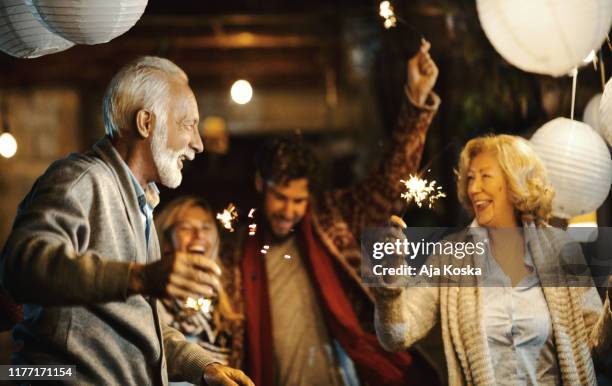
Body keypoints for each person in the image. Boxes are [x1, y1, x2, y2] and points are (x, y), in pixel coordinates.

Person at [0, 56, 253, 386]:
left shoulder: (141, 203)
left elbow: (141, 326)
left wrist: (203, 368)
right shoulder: (82, 181)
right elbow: (19, 268)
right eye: (188, 124)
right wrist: (140, 277)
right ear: (146, 123)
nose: (198, 144)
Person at [219, 40, 442, 386]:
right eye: (281, 197)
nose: (289, 211)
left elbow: (389, 186)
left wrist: (414, 103)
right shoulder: (236, 249)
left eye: (298, 200)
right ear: (260, 184)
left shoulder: (331, 218)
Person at [374, 134, 612, 385]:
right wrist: (390, 279)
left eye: (485, 176)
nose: (474, 188)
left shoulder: (561, 249)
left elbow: (595, 346)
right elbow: (395, 336)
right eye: (470, 178)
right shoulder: (449, 256)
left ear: (514, 181)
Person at [155, 196, 243, 374]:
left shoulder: (231, 291)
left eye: (206, 227)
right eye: (186, 228)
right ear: (166, 241)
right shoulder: (153, 293)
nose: (199, 235)